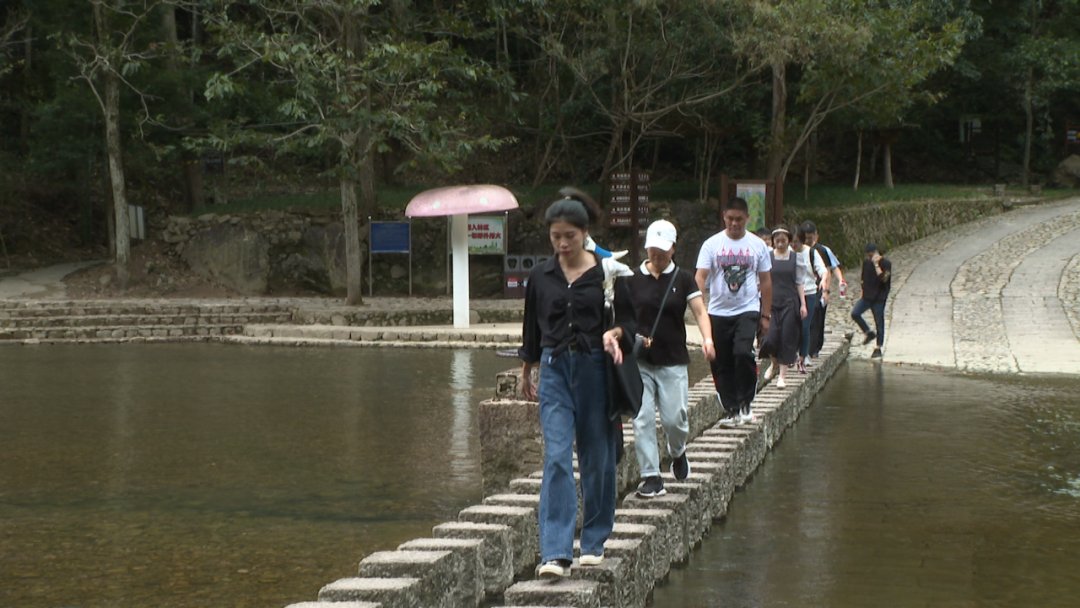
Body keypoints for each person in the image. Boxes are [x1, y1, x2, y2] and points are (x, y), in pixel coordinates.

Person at [518, 190, 636, 579]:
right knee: (555, 456)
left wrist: (614, 333)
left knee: (597, 456)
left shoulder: (609, 272)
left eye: (569, 235)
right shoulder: (540, 275)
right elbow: (531, 327)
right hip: (554, 369)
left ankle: (593, 539)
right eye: (556, 237)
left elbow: (631, 324)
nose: (563, 244)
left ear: (585, 233)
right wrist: (527, 368)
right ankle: (554, 551)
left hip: (594, 369)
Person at [628, 220, 715, 498]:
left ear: (673, 249)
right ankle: (651, 476)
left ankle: (677, 451)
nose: (657, 256)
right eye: (653, 250)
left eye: (663, 251)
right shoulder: (632, 278)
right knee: (641, 418)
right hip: (640, 361)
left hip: (673, 359)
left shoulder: (683, 278)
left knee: (675, 418)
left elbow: (700, 312)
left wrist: (708, 338)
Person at [695, 197, 773, 427]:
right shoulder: (712, 245)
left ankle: (746, 400)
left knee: (742, 353)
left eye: (739, 219)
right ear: (724, 217)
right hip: (718, 311)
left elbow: (766, 282)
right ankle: (732, 409)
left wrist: (765, 316)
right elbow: (700, 277)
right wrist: (697, 303)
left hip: (747, 308)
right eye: (730, 219)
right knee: (722, 362)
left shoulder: (757, 245)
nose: (734, 224)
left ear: (747, 218)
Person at [759, 225, 807, 389]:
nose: (780, 244)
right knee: (770, 338)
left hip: (790, 302)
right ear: (773, 241)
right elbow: (762, 281)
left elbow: (800, 282)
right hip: (771, 303)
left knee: (787, 337)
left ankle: (782, 376)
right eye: (777, 241)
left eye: (783, 241)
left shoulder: (796, 258)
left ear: (788, 241)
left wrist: (803, 304)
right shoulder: (767, 256)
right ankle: (773, 363)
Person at [800, 223, 846, 360]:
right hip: (803, 289)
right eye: (806, 238)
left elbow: (830, 268)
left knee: (817, 319)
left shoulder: (822, 250)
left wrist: (829, 289)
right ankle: (805, 349)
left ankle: (813, 349)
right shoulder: (798, 250)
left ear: (816, 236)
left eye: (811, 237)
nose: (809, 241)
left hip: (819, 289)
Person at [793, 222, 829, 373]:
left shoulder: (811, 253)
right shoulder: (788, 252)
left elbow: (824, 271)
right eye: (792, 242)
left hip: (809, 292)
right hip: (793, 293)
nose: (793, 245)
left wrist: (823, 282)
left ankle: (805, 353)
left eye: (796, 241)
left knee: (805, 325)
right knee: (793, 325)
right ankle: (793, 353)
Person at [851, 243, 892, 358]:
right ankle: (868, 333)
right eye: (868, 256)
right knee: (855, 313)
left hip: (879, 298)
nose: (870, 258)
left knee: (879, 321)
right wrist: (863, 289)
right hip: (867, 297)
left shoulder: (886, 264)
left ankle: (878, 347)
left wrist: (876, 265)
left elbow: (884, 279)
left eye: (872, 255)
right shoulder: (866, 263)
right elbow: (863, 278)